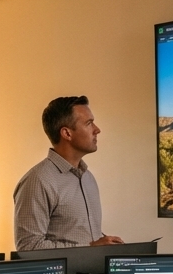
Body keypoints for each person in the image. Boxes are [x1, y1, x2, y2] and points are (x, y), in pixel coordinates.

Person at [13, 96, 124, 251]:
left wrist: (106, 243)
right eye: (89, 123)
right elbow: (28, 247)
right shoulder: (38, 181)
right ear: (67, 133)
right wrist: (90, 247)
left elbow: (80, 236)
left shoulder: (88, 178)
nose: (97, 130)